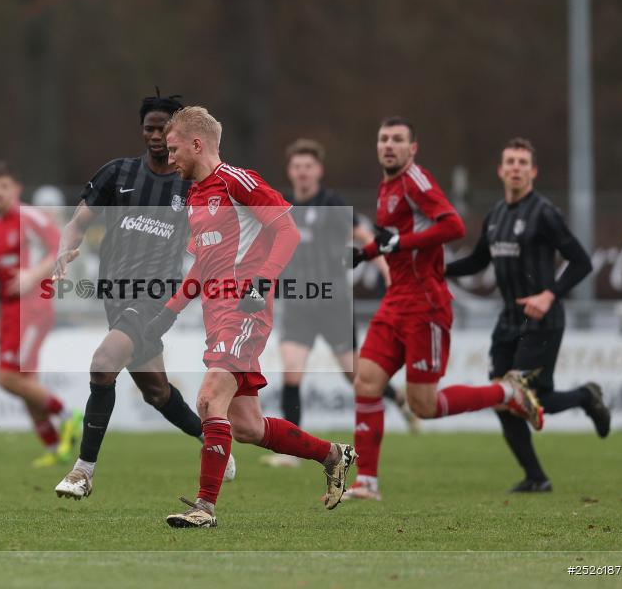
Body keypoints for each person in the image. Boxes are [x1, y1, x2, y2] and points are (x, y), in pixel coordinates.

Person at [145, 106, 357, 528]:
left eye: (174, 149)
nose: (169, 159)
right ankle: (333, 455)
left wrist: (261, 283)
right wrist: (167, 314)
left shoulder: (238, 181)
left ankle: (204, 508)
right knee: (246, 427)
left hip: (245, 313)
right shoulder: (194, 196)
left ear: (197, 144)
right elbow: (203, 266)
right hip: (216, 316)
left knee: (208, 400)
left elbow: (288, 229)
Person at [348, 117, 543, 501]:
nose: (389, 145)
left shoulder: (415, 180)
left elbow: (453, 226)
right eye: (383, 138)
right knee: (365, 382)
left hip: (425, 305)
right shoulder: (387, 185)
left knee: (424, 406)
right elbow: (394, 241)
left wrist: (397, 243)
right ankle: (367, 481)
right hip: (395, 300)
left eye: (398, 140)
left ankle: (505, 394)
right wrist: (365, 253)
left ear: (412, 148)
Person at [53, 92, 236, 501]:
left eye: (164, 129)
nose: (156, 136)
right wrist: (66, 247)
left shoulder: (190, 183)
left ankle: (83, 472)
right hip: (116, 299)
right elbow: (78, 221)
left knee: (103, 364)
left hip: (155, 296)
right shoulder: (117, 174)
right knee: (156, 392)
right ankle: (212, 439)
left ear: (179, 134)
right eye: (149, 128)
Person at [445, 137, 609, 492]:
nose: (516, 168)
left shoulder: (545, 213)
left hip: (542, 322)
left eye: (523, 162)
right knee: (505, 400)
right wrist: (435, 269)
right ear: (501, 170)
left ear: (532, 171)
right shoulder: (495, 216)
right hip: (507, 322)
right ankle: (537, 476)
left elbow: (582, 262)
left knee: (513, 395)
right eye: (510, 162)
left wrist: (550, 294)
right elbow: (477, 262)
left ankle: (584, 398)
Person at [263, 139, 417, 469]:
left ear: (318, 171)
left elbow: (365, 237)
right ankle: (295, 452)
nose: (303, 172)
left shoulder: (332, 203)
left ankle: (398, 397)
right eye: (297, 167)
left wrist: (389, 275)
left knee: (355, 376)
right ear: (290, 171)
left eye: (309, 167)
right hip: (299, 305)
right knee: (292, 371)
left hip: (333, 303)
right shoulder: (284, 207)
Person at [0, 161, 78, 468]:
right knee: (25, 381)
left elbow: (62, 245)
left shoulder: (30, 217)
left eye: (4, 186)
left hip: (32, 307)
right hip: (9, 309)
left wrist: (33, 275)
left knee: (7, 377)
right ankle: (56, 447)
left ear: (17, 189)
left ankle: (69, 415)